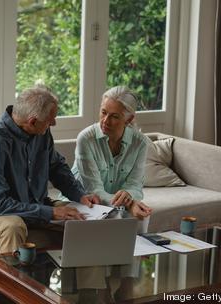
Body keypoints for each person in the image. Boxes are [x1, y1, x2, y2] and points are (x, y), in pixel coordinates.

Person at [0, 85, 100, 254]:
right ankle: (15, 280)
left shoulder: (42, 133)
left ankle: (79, 280)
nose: (54, 123)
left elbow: (56, 167)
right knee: (13, 226)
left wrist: (80, 196)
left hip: (33, 203)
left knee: (84, 219)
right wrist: (50, 213)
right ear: (32, 121)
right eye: (50, 121)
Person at [72, 85, 153, 301]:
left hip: (118, 200)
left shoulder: (140, 142)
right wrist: (126, 202)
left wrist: (132, 200)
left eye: (114, 116)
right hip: (85, 200)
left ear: (129, 119)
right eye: (103, 112)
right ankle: (102, 288)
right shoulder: (86, 139)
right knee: (109, 216)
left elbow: (135, 184)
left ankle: (127, 284)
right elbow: (93, 189)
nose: (105, 121)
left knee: (140, 215)